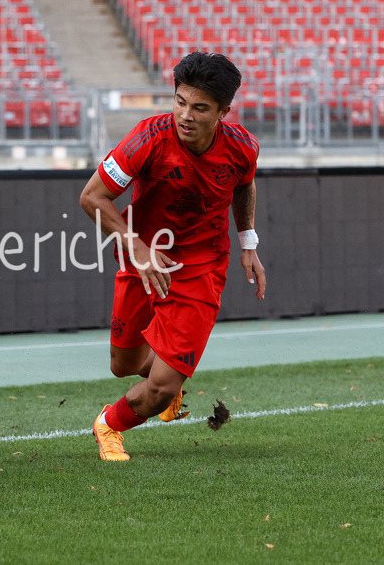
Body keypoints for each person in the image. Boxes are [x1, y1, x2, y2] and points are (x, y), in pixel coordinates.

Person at [79, 51, 266, 461]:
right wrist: (138, 248)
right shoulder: (148, 138)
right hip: (140, 260)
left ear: (223, 112)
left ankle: (109, 424)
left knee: (160, 387)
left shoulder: (242, 147)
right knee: (123, 365)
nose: (186, 115)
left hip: (202, 268)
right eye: (180, 102)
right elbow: (92, 197)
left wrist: (248, 243)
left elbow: (244, 185)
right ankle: (169, 380)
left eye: (200, 108)